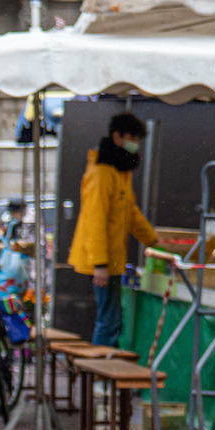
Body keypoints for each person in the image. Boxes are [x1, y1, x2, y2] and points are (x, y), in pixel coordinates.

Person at [66, 112, 157, 347]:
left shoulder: (118, 171)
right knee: (109, 320)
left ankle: (105, 374)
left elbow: (130, 213)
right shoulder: (102, 172)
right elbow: (94, 220)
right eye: (131, 137)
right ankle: (100, 379)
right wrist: (100, 264)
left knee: (112, 319)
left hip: (111, 261)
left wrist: (154, 242)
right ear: (117, 136)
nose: (134, 143)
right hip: (103, 262)